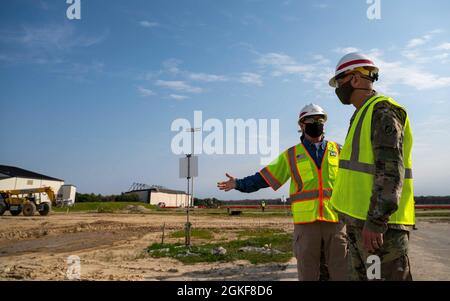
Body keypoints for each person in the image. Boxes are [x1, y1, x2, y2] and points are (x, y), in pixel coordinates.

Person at [217, 104, 347, 281]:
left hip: (336, 221)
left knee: (341, 272)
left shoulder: (339, 150)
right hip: (306, 225)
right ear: (302, 125)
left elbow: (354, 181)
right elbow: (264, 178)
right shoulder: (292, 155)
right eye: (312, 120)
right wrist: (238, 183)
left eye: (320, 120)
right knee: (308, 273)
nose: (317, 123)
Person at [328, 52, 415, 281]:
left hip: (380, 231)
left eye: (339, 81)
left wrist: (376, 222)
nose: (338, 88)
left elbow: (390, 171)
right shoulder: (361, 114)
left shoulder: (382, 111)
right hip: (360, 226)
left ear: (355, 79)